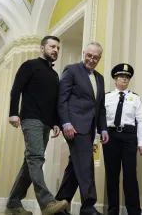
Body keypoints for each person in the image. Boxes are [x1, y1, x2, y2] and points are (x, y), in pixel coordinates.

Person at [5, 36, 68, 215]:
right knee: (36, 158)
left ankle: (13, 202)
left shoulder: (55, 75)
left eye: (58, 47)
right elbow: (16, 89)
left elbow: (54, 100)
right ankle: (47, 202)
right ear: (42, 48)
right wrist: (13, 112)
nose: (55, 50)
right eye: (52, 46)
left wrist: (56, 122)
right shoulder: (30, 65)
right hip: (30, 118)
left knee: (29, 161)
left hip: (47, 123)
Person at [55, 42, 109, 215]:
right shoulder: (71, 70)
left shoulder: (99, 78)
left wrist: (103, 129)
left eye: (95, 57)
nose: (91, 59)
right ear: (83, 52)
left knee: (76, 165)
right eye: (89, 55)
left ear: (99, 58)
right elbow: (61, 99)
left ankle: (59, 205)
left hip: (90, 128)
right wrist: (65, 123)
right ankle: (88, 206)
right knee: (86, 164)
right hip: (74, 125)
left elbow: (100, 107)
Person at [103, 63, 142, 215]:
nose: (125, 79)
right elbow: (101, 120)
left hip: (129, 137)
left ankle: (134, 212)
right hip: (110, 137)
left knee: (130, 176)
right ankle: (112, 211)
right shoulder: (107, 97)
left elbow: (140, 121)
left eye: (127, 77)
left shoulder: (135, 98)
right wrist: (96, 139)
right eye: (122, 76)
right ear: (115, 79)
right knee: (111, 176)